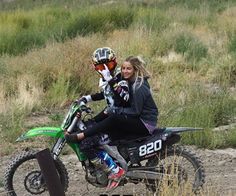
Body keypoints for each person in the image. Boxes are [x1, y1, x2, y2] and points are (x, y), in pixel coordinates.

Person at [66, 55, 158, 188]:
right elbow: (110, 95)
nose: (125, 71)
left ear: (135, 70)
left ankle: (84, 136)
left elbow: (135, 111)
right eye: (124, 68)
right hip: (138, 120)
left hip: (145, 123)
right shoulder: (130, 82)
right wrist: (88, 98)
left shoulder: (138, 86)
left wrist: (115, 111)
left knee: (113, 117)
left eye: (129, 69)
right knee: (108, 118)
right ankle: (113, 161)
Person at [70, 47, 130, 189]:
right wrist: (87, 98)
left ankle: (115, 171)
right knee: (88, 124)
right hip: (111, 115)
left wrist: (111, 80)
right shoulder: (105, 79)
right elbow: (105, 94)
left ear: (114, 63)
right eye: (100, 66)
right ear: (95, 67)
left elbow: (124, 98)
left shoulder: (120, 77)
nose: (105, 69)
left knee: (87, 143)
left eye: (108, 65)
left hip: (120, 120)